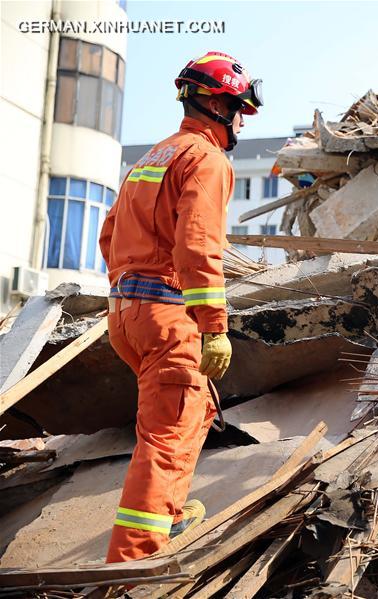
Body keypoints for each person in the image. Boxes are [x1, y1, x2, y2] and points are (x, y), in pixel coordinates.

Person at [99, 51, 262, 562]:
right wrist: (214, 326)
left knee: (192, 409)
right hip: (167, 314)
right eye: (239, 108)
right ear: (217, 102)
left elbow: (109, 237)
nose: (240, 120)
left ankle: (167, 517)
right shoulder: (207, 159)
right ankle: (132, 565)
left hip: (127, 314)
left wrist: (136, 292)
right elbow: (197, 246)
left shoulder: (154, 156)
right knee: (168, 435)